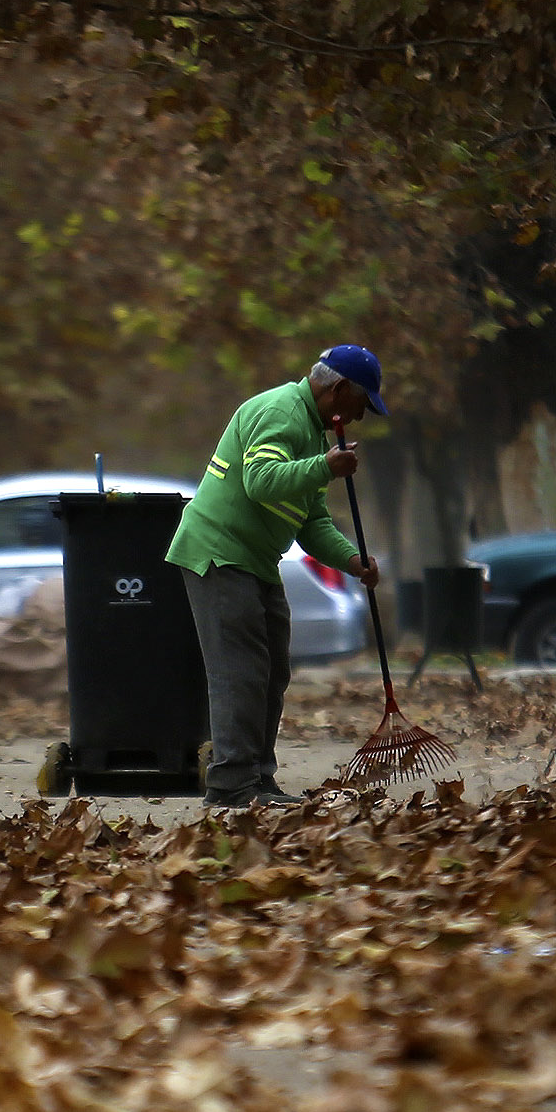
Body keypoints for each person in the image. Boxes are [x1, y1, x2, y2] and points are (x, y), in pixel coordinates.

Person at [164, 345, 385, 808]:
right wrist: (325, 466)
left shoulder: (309, 432)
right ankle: (231, 787)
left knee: (271, 671)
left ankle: (257, 778)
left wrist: (352, 560)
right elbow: (260, 481)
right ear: (339, 389)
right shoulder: (282, 411)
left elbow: (312, 522)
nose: (359, 418)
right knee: (239, 671)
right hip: (219, 554)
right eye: (361, 405)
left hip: (256, 560)